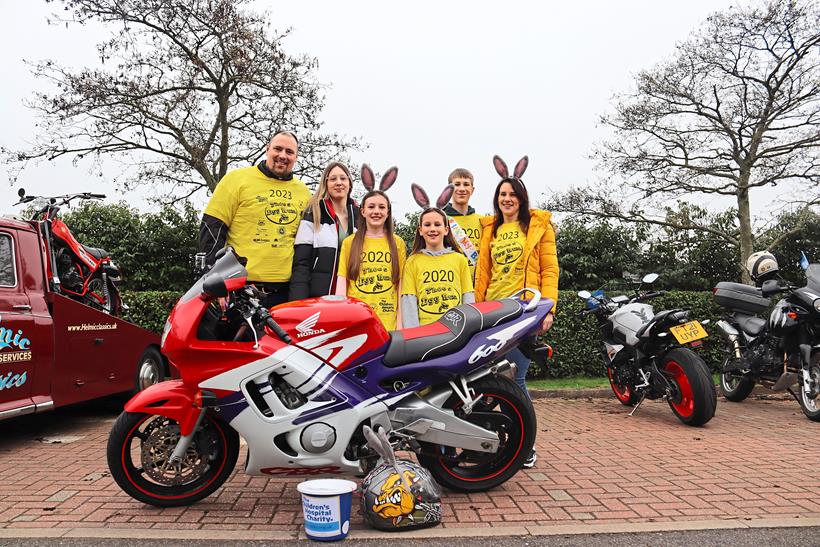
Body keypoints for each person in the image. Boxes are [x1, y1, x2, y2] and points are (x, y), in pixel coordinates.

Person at [474, 155, 559, 468]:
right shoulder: (490, 229)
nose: (506, 199)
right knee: (486, 380)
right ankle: (492, 441)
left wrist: (548, 309)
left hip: (523, 311)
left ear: (521, 198)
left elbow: (550, 269)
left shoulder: (538, 227)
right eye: (501, 195)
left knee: (516, 378)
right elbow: (483, 273)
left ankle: (525, 446)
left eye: (512, 194)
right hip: (491, 312)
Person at [199, 130, 310, 307]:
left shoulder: (304, 192)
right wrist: (216, 280)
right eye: (278, 149)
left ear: (296, 157)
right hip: (240, 289)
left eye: (289, 152)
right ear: (267, 149)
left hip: (285, 293)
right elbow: (212, 230)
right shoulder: (236, 179)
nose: (282, 155)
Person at [336, 190, 406, 330]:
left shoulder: (398, 243)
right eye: (371, 207)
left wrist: (400, 323)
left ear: (387, 212)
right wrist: (341, 318)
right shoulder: (350, 242)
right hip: (356, 319)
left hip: (388, 322)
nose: (376, 211)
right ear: (362, 211)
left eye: (381, 207)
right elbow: (342, 282)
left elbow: (401, 285)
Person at [289, 162, 360, 300]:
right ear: (325, 183)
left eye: (343, 178)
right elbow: (301, 264)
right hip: (319, 297)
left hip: (352, 297)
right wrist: (298, 302)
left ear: (349, 183)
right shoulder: (313, 213)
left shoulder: (360, 217)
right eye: (333, 179)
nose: (338, 182)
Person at [401, 207, 474, 328]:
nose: (432, 229)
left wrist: (468, 328)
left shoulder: (460, 259)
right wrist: (413, 335)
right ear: (420, 230)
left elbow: (468, 297)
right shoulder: (412, 262)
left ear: (446, 230)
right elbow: (409, 301)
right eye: (427, 225)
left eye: (437, 224)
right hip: (425, 333)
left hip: (456, 329)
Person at [442, 168, 482, 277]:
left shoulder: (482, 221)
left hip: (478, 285)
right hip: (452, 283)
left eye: (466, 184)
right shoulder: (441, 221)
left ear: (472, 190)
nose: (461, 189)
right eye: (457, 184)